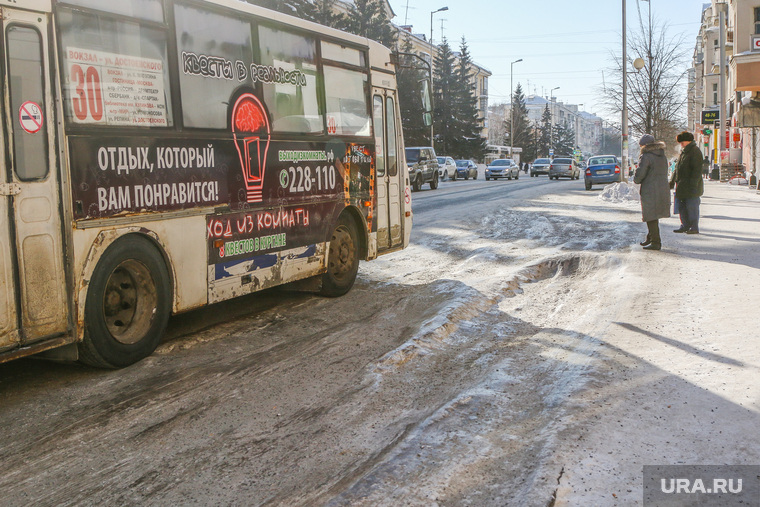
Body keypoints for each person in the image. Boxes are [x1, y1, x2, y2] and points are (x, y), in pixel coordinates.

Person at [633, 134, 670, 250]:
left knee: (650, 215)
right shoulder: (662, 155)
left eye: (640, 145)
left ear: (644, 145)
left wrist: (636, 178)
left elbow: (640, 174)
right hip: (661, 188)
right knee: (654, 214)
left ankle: (656, 242)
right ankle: (650, 237)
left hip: (650, 189)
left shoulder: (646, 156)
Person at [670, 131, 704, 234]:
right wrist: (672, 181)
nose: (681, 144)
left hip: (691, 186)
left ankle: (694, 227)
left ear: (688, 141)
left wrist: (693, 184)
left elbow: (697, 171)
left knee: (692, 207)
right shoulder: (683, 152)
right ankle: (685, 225)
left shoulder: (695, 151)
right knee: (682, 207)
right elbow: (677, 168)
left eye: (682, 142)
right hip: (681, 185)